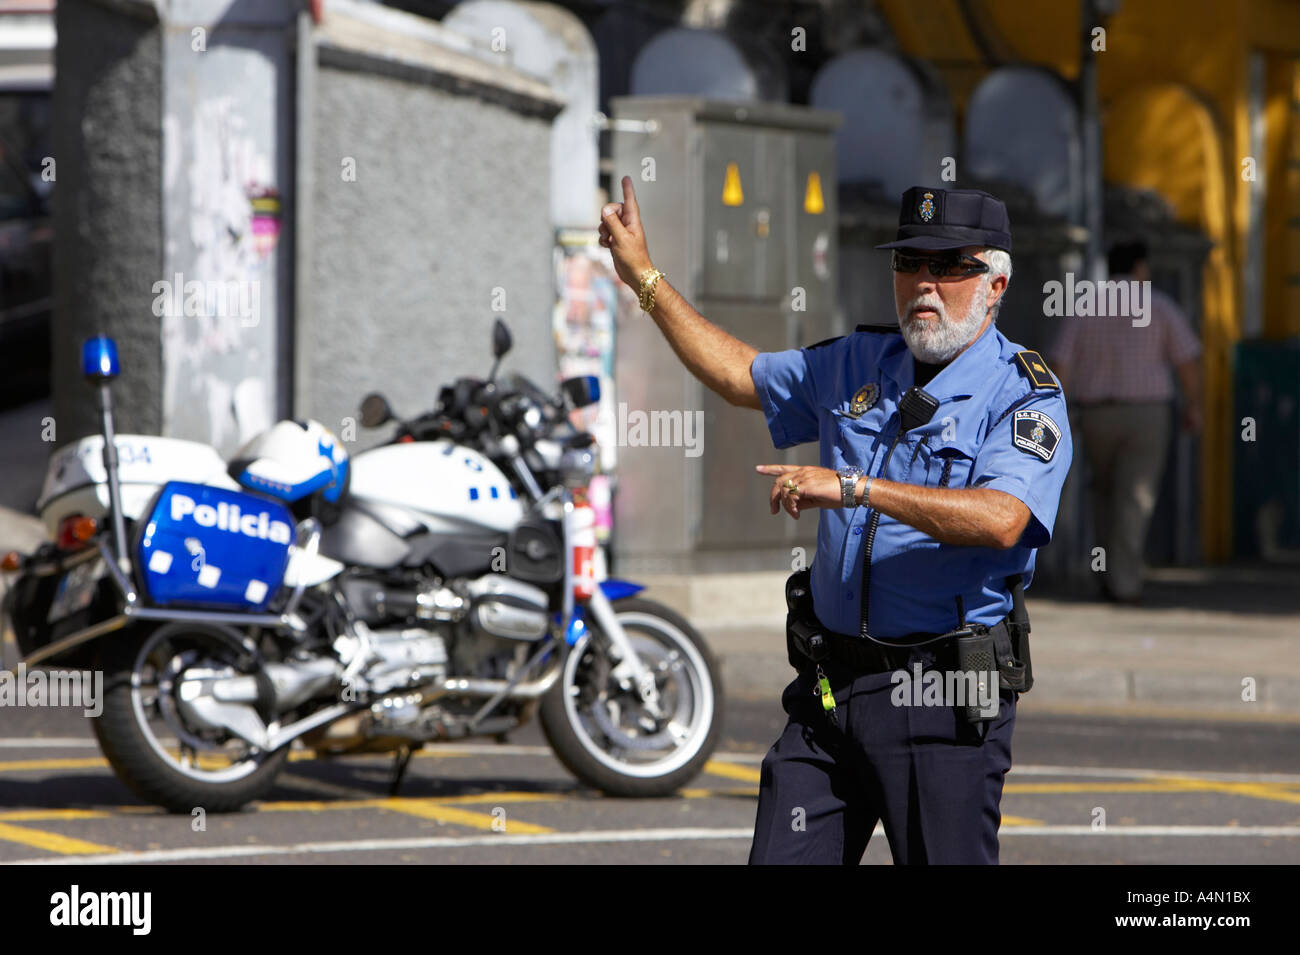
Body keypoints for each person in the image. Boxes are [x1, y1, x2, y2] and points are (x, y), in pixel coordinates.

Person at [599, 178, 1072, 865]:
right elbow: (741, 374)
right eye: (909, 264)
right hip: (831, 688)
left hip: (942, 690)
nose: (924, 285)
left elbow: (1004, 519)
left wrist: (855, 488)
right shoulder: (860, 360)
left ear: (995, 284)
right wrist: (644, 278)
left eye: (949, 267)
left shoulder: (1024, 393)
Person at [1049, 240, 1202, 604]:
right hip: (1147, 414)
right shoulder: (1160, 306)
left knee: (1103, 493)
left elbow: (1061, 362)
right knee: (1136, 497)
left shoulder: (1086, 305)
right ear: (1140, 268)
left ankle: (1107, 573)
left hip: (1096, 413)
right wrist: (1194, 405)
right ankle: (1125, 582)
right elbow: (1187, 361)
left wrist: (1059, 409)